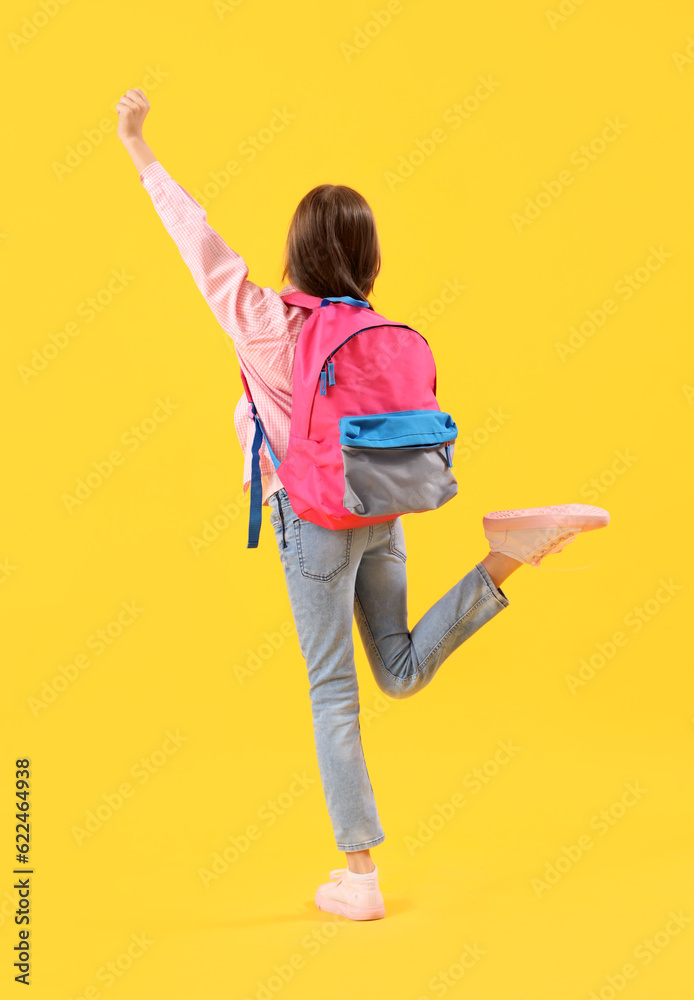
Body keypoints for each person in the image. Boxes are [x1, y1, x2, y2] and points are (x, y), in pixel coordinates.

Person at [116, 88, 610, 922]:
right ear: (368, 260)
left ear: (297, 254)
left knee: (334, 694)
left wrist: (137, 145)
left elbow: (196, 243)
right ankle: (513, 551)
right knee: (401, 670)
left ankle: (360, 875)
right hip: (377, 511)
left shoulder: (270, 325)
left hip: (310, 521)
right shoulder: (379, 333)